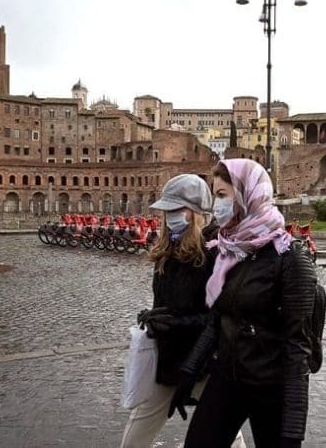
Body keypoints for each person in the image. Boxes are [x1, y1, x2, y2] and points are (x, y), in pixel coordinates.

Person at [170, 159, 318, 448]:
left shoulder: (290, 259)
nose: (217, 205)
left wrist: (292, 431)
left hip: (270, 388)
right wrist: (188, 372)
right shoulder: (231, 250)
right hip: (227, 378)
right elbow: (218, 320)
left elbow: (297, 349)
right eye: (215, 196)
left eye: (223, 195)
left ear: (247, 195)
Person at [120, 173, 216, 448]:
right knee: (133, 441)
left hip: (201, 363)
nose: (170, 215)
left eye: (178, 209)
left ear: (197, 212)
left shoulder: (213, 251)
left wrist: (177, 323)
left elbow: (219, 317)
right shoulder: (167, 248)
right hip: (166, 360)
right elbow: (165, 302)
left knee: (223, 436)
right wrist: (152, 317)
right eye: (168, 210)